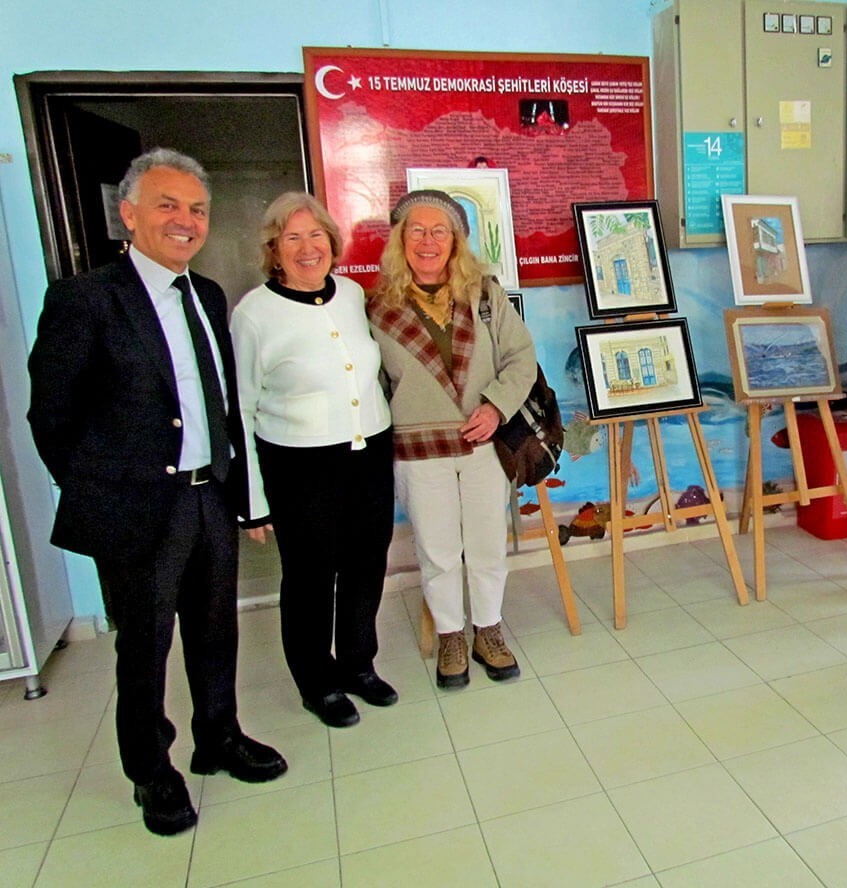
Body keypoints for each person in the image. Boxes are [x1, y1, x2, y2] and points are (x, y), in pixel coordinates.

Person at [27, 148, 287, 836]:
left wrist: (238, 487)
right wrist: (101, 491)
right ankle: (151, 771)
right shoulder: (86, 300)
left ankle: (218, 737)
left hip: (209, 496)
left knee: (215, 631)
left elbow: (221, 402)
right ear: (130, 213)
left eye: (197, 209)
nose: (185, 221)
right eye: (168, 205)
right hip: (138, 507)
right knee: (143, 647)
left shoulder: (205, 294)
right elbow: (50, 417)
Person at [231, 192, 397, 729]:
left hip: (368, 451)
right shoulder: (253, 314)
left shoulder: (351, 294)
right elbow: (242, 407)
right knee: (309, 577)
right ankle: (316, 681)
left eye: (317, 236)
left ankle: (357, 664)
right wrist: (252, 502)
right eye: (292, 238)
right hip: (299, 464)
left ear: (332, 242)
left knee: (367, 564)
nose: (308, 248)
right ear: (274, 251)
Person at [367, 189, 535, 689]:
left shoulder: (484, 293)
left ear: (456, 240)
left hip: (482, 442)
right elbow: (372, 385)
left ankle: (488, 629)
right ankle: (450, 636)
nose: (428, 240)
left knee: (486, 545)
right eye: (416, 230)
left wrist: (496, 406)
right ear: (400, 240)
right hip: (419, 452)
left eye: (439, 230)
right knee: (438, 551)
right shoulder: (378, 309)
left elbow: (521, 359)